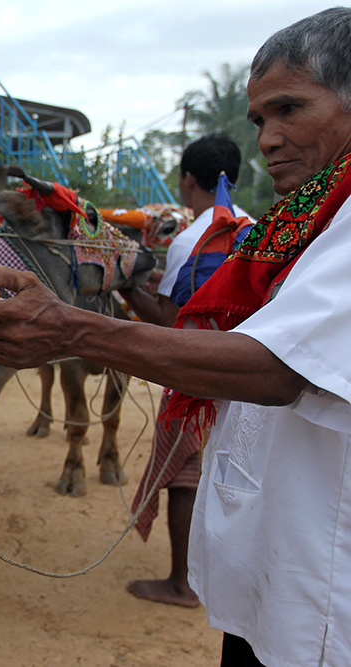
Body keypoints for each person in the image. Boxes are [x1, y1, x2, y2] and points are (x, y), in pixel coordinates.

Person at [0, 7, 351, 666]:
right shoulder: (283, 228)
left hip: (320, 599)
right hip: (280, 572)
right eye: (259, 120)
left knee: (183, 475)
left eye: (290, 109)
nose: (269, 138)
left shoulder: (276, 231)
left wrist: (71, 324)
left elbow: (276, 366)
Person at [117, 134, 250, 608]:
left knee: (184, 477)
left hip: (199, 380)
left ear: (188, 180)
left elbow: (170, 323)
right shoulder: (257, 229)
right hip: (252, 377)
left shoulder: (190, 239)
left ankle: (181, 584)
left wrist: (124, 287)